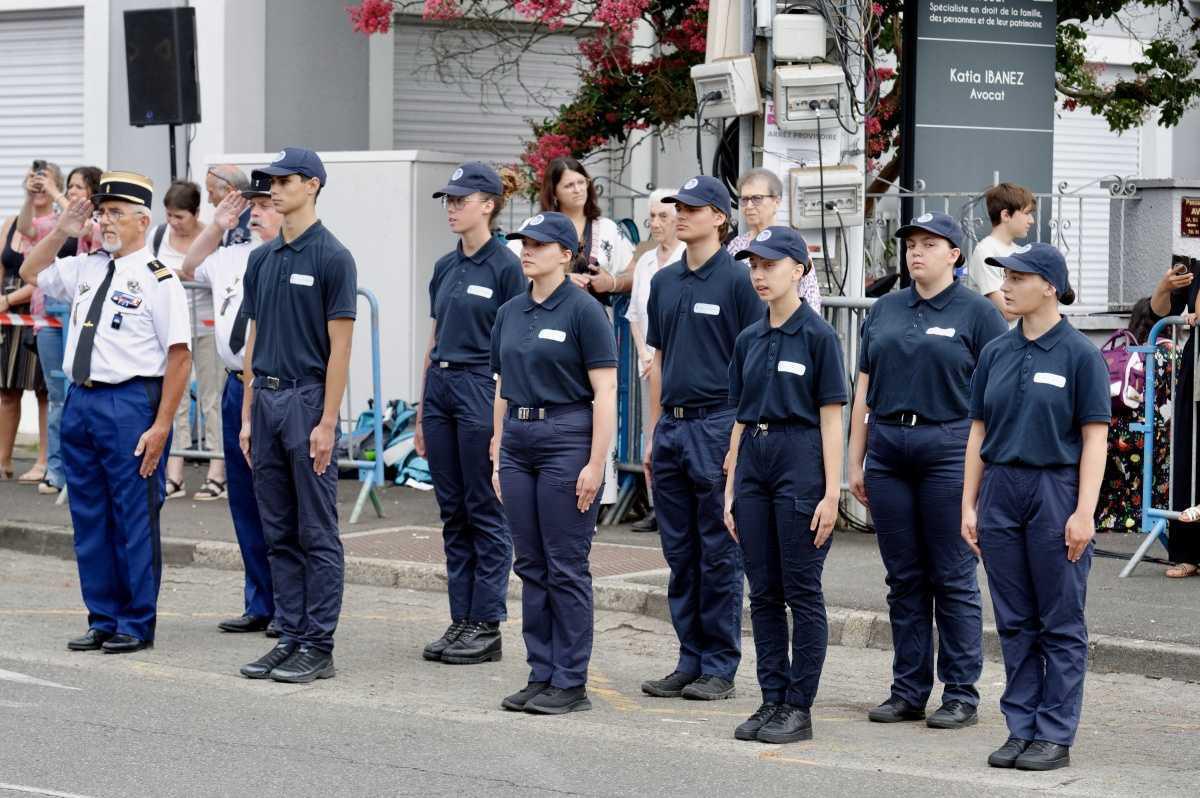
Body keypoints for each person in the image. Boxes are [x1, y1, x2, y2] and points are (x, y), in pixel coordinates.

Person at [847, 212, 1008, 729]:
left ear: (954, 255)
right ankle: (908, 689)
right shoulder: (887, 308)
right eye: (911, 244)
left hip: (949, 444)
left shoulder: (977, 313)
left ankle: (960, 692)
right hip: (890, 446)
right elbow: (863, 389)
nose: (916, 253)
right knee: (904, 576)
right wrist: (856, 458)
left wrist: (984, 469)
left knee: (953, 573)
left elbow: (995, 395)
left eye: (929, 244)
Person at [19, 171, 191, 654]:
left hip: (130, 402)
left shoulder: (159, 279)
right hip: (82, 401)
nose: (106, 221)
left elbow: (180, 357)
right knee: (90, 515)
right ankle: (103, 616)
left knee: (133, 516)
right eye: (102, 211)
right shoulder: (86, 265)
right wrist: (61, 230)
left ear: (143, 219)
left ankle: (136, 621)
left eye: (117, 212)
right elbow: (32, 272)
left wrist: (161, 426)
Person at [961, 242, 1110, 771]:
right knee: (1015, 619)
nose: (1006, 283)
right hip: (1000, 489)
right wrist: (969, 504)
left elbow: (1095, 438)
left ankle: (1054, 733)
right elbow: (978, 429)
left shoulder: (1080, 355)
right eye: (1004, 275)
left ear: (1049, 285)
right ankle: (1021, 726)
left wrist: (1084, 512)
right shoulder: (997, 352)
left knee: (1059, 620)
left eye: (1019, 276)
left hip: (1055, 489)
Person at [236, 148, 356, 684]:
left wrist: (328, 422)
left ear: (312, 185)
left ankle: (318, 643)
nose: (273, 190)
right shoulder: (261, 259)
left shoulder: (333, 257)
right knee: (277, 528)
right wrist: (245, 414)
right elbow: (254, 338)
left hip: (307, 400)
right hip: (266, 399)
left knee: (316, 530)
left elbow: (341, 349)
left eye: (283, 181)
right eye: (270, 183)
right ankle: (289, 634)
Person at [640, 175, 761, 702]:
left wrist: (737, 440)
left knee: (718, 552)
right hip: (672, 426)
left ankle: (719, 664)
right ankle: (689, 657)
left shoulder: (737, 281)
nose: (680, 214)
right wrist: (652, 433)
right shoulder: (665, 282)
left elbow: (755, 359)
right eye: (676, 207)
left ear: (719, 217)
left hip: (717, 423)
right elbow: (658, 360)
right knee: (680, 552)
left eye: (692, 207)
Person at [724, 227, 846, 744]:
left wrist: (831, 491)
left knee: (801, 590)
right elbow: (740, 414)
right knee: (764, 593)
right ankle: (772, 698)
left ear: (798, 270)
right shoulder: (749, 337)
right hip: (755, 457)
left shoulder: (818, 336)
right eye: (753, 265)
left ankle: (799, 705)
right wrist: (730, 485)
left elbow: (831, 416)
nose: (758, 274)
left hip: (800, 459)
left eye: (770, 265)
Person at [492, 212, 618, 714]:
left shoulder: (583, 311)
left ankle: (570, 679)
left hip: (566, 435)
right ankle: (540, 671)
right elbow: (500, 385)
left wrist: (596, 462)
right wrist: (498, 448)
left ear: (565, 254)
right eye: (524, 242)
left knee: (565, 564)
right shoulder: (510, 311)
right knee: (530, 563)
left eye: (539, 244)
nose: (527, 250)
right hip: (518, 439)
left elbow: (605, 390)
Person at [415, 162, 524, 665]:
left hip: (482, 384)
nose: (453, 208)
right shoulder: (445, 266)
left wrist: (504, 423)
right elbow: (434, 338)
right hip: (441, 384)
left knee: (484, 507)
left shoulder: (506, 266)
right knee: (452, 509)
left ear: (489, 203)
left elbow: (513, 347)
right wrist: (421, 409)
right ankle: (462, 619)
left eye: (462, 199)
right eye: (449, 200)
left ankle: (487, 622)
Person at [179, 177, 284, 636]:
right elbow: (187, 266)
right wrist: (217, 225)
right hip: (236, 384)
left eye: (266, 204)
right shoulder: (230, 256)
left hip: (276, 387)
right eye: (252, 205)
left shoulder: (293, 255)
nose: (256, 212)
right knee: (244, 500)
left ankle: (288, 605)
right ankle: (259, 600)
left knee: (280, 502)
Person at [511, 157, 634, 508]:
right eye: (569, 185)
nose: (578, 189)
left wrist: (608, 282)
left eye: (582, 182)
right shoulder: (532, 231)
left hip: (596, 324)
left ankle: (594, 484)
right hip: (546, 330)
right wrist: (562, 281)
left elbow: (633, 270)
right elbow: (517, 272)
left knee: (601, 399)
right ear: (555, 191)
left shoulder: (607, 229)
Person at [23, 165, 103, 495]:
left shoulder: (99, 223)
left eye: (77, 187)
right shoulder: (59, 220)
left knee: (76, 394)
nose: (71, 193)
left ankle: (77, 472)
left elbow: (88, 232)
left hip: (77, 316)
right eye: (68, 187)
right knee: (57, 397)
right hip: (47, 315)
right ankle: (55, 469)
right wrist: (33, 195)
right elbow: (29, 228)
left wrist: (58, 195)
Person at [155, 181, 227, 501]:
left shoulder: (213, 235)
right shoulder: (157, 236)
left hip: (208, 324)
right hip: (172, 328)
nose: (173, 222)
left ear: (196, 213)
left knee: (212, 399)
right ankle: (175, 473)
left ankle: (217, 472)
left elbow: (217, 277)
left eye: (180, 216)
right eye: (169, 215)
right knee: (175, 399)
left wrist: (183, 273)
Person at [626, 190, 685, 534]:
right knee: (651, 431)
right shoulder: (646, 262)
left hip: (673, 361)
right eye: (652, 216)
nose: (656, 223)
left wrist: (658, 354)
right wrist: (644, 352)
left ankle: (670, 504)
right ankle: (655, 504)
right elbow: (635, 315)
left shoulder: (684, 258)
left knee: (670, 430)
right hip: (649, 359)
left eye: (664, 216)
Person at [1095, 298, 1175, 532]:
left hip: (1113, 423)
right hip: (1147, 426)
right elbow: (1177, 389)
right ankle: (1145, 518)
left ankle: (1111, 518)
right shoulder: (1167, 350)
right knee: (1152, 472)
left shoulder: (1121, 347)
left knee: (1116, 476)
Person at [1, 165, 56, 482]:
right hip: (7, 316)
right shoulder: (13, 223)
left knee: (43, 391)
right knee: (6, 391)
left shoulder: (55, 226)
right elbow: (3, 262)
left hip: (38, 309)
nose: (37, 189)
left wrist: (10, 299)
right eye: (32, 184)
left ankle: (44, 460)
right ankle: (3, 459)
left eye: (43, 184)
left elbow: (41, 273)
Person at [1148, 257, 1200, 576]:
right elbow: (1159, 310)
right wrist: (1164, 287)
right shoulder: (1195, 268)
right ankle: (1188, 552)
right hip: (1195, 370)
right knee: (1189, 458)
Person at [724, 169, 821, 313]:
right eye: (744, 199)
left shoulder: (792, 242)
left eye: (756, 198)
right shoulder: (736, 245)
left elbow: (810, 293)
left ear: (776, 201)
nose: (749, 206)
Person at [966, 182, 1036, 322]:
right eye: (1027, 213)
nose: (1032, 221)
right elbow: (1007, 311)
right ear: (1005, 215)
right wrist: (1038, 304)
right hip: (997, 340)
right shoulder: (986, 251)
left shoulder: (1020, 251)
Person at [205, 164, 253, 246]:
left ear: (229, 191)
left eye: (211, 192)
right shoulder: (227, 219)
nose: (209, 200)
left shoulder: (254, 221)